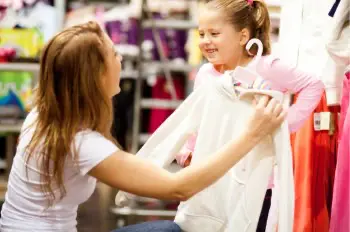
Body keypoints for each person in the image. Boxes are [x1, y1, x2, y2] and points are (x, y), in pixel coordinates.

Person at [0, 21, 285, 232]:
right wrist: (252, 134)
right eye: (114, 54)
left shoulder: (46, 114)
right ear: (96, 75)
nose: (121, 59)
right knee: (169, 231)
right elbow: (178, 188)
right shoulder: (80, 143)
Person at [174, 0, 324, 230]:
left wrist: (283, 125)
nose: (205, 41)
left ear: (243, 36)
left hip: (256, 183)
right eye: (201, 33)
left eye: (214, 33)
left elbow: (313, 86)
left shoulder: (267, 67)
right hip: (211, 181)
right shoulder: (205, 74)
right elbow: (198, 119)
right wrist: (187, 151)